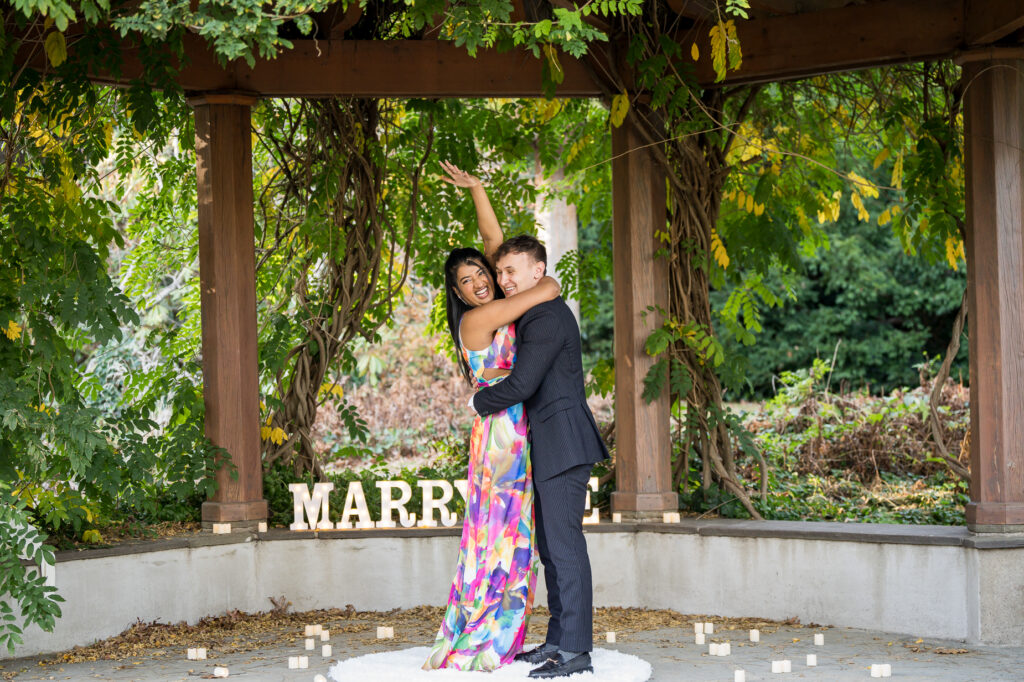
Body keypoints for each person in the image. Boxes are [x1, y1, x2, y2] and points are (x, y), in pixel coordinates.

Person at [423, 162, 560, 671]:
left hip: (518, 422)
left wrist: (478, 188)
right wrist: (547, 282)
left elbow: (497, 244)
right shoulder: (478, 321)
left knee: (516, 529)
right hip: (502, 431)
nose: (482, 282)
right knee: (502, 531)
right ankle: (489, 629)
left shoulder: (499, 295)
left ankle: (508, 624)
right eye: (468, 280)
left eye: (483, 273)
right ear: (457, 294)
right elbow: (543, 289)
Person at [470, 234, 610, 679]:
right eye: (501, 272)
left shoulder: (546, 317)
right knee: (552, 547)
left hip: (564, 442)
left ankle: (575, 651)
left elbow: (524, 386)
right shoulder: (537, 313)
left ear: (538, 271)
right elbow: (527, 376)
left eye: (513, 271)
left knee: (565, 546)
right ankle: (558, 640)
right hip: (553, 442)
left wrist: (478, 401)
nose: (504, 280)